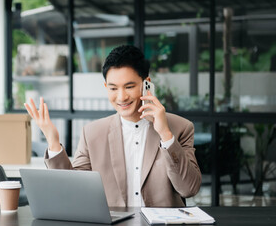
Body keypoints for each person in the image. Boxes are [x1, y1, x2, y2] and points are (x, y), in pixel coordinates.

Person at [24, 45, 201, 207]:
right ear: (105, 87)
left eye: (129, 86)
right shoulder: (92, 133)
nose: (121, 97)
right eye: (113, 88)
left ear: (146, 84)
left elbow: (189, 189)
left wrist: (165, 134)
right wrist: (54, 142)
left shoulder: (180, 128)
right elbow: (71, 192)